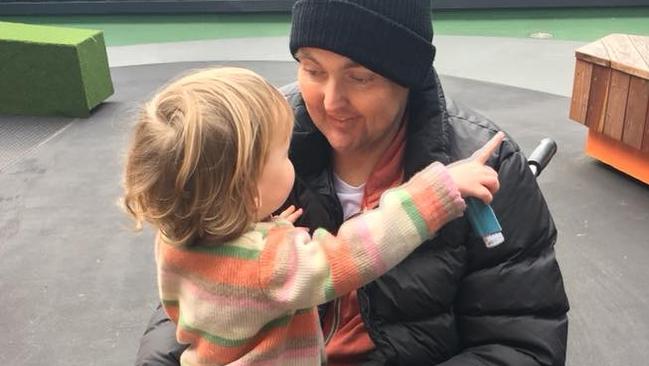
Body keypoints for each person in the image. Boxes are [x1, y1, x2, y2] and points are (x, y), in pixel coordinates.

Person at [135, 1, 570, 365]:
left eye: (360, 77)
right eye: (312, 68)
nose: (330, 101)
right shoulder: (251, 143)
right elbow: (197, 286)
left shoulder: (488, 164)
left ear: (407, 77)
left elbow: (521, 343)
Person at [123, 66, 505, 365]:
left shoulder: (176, 240)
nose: (290, 158)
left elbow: (221, 289)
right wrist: (436, 193)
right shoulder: (267, 266)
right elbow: (354, 253)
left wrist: (261, 233)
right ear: (248, 190)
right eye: (281, 153)